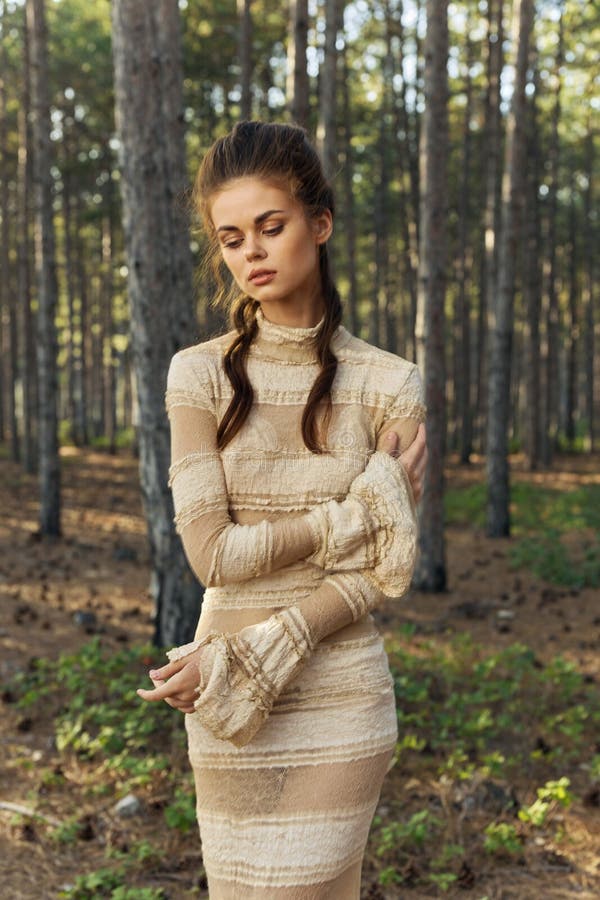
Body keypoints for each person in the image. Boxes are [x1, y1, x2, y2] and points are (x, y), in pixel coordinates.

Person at [137, 121, 428, 899]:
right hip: (227, 692)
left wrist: (280, 638)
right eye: (231, 238)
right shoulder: (197, 376)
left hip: (339, 692)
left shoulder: (391, 383)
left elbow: (386, 569)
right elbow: (214, 558)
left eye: (272, 226)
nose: (252, 254)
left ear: (320, 224)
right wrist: (357, 512)